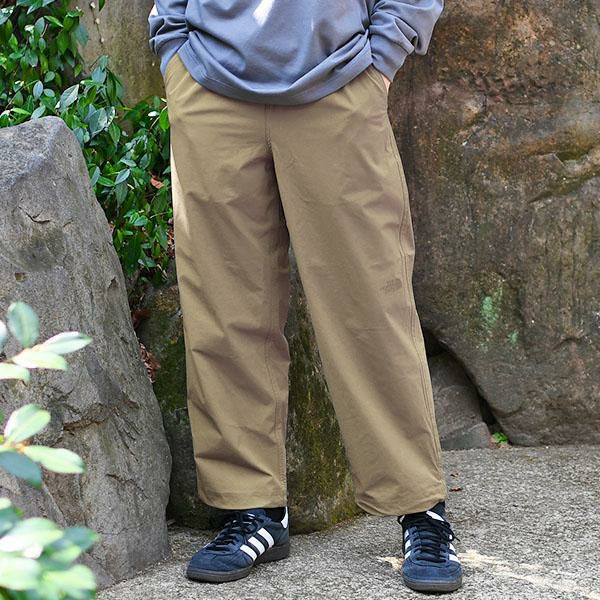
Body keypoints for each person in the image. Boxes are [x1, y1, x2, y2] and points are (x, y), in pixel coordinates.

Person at [148, 0, 462, 593]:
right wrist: (174, 44)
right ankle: (251, 508)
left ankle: (420, 507)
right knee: (224, 310)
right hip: (210, 84)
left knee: (370, 305)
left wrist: (384, 52)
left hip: (339, 82)